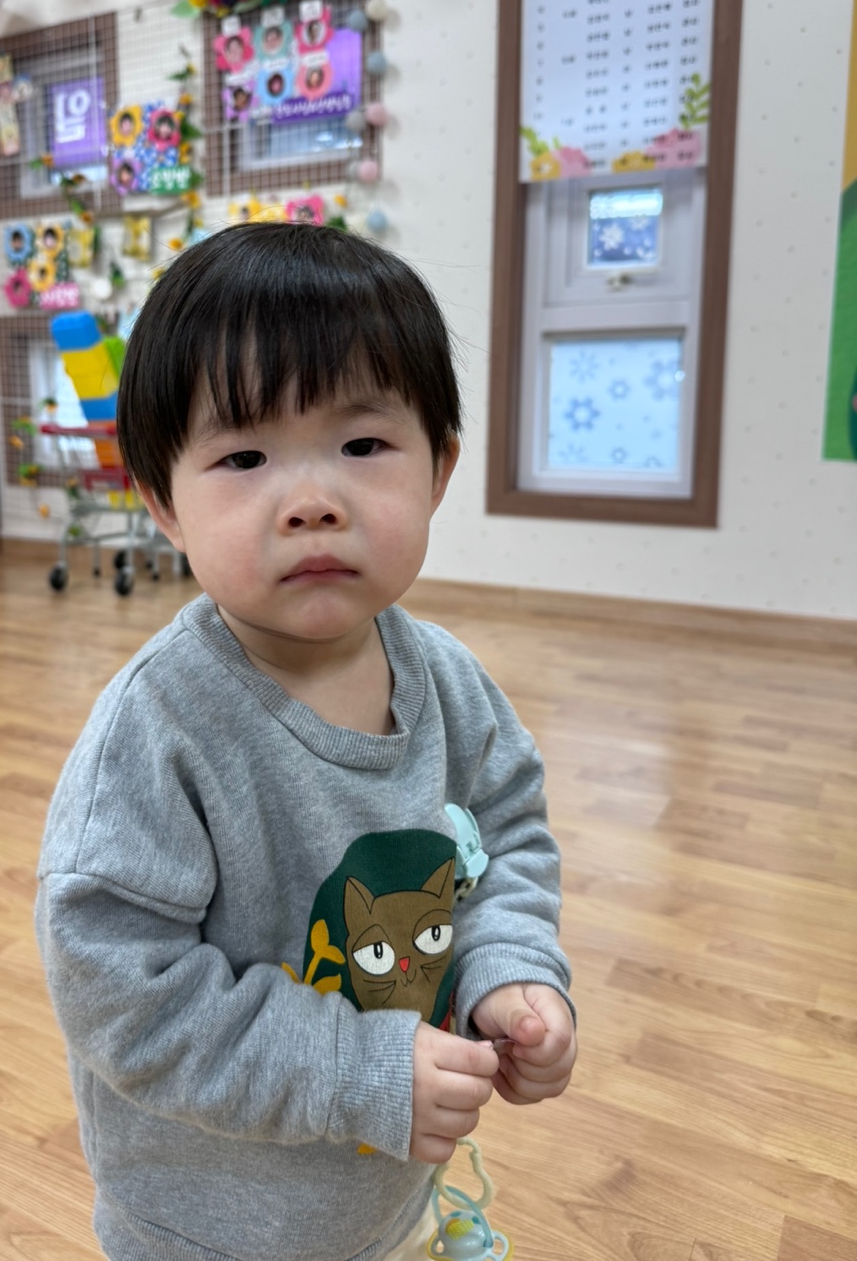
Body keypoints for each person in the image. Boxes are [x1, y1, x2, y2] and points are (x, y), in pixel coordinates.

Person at [35, 223, 576, 1261]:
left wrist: (509, 966)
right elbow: (120, 993)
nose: (314, 502)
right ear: (163, 503)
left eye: (363, 446)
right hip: (210, 1228)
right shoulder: (159, 730)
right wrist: (351, 1071)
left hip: (384, 1195)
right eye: (244, 457)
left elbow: (506, 835)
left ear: (439, 468)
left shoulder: (450, 683)